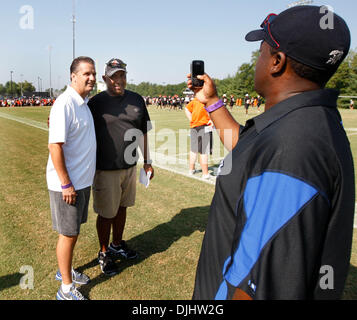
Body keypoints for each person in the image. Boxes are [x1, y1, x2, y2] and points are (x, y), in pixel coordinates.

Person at [188, 5, 355, 300]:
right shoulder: (305, 120)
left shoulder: (293, 149)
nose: (257, 60)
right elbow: (248, 150)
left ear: (277, 62)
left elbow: (258, 285)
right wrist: (212, 101)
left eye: (262, 51)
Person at [88, 58, 154, 275]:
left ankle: (117, 243)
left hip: (129, 166)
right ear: (105, 78)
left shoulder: (136, 99)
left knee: (122, 207)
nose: (118, 80)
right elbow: (78, 125)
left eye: (122, 75)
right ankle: (104, 251)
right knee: (107, 213)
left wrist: (148, 162)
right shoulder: (96, 103)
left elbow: (143, 132)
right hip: (105, 168)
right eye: (114, 76)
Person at [46, 56, 97, 300]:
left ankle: (65, 272)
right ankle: (65, 289)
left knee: (73, 232)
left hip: (81, 182)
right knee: (67, 233)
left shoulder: (83, 103)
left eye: (94, 73)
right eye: (86, 73)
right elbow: (55, 146)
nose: (92, 78)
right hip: (68, 185)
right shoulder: (65, 103)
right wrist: (66, 183)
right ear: (73, 76)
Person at [185, 97, 213, 180]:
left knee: (194, 150)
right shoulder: (207, 100)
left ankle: (191, 169)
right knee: (204, 151)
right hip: (204, 126)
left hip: (194, 127)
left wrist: (192, 120)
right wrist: (211, 120)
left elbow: (186, 109)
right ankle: (205, 173)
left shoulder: (195, 100)